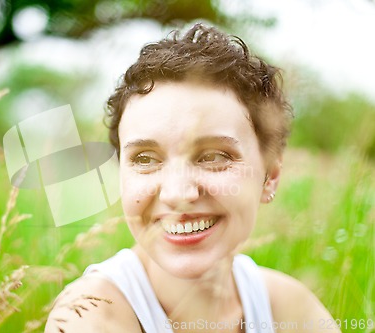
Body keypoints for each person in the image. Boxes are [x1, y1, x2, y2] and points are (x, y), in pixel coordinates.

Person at [45, 23, 340, 333]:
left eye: (214, 156)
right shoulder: (91, 316)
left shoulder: (289, 308)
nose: (177, 193)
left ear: (270, 177)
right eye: (145, 159)